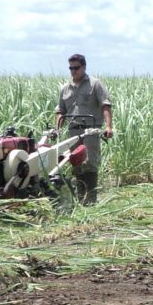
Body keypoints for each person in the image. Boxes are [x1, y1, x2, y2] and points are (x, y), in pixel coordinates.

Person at [54, 53, 113, 204]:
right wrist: (57, 129)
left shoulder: (95, 84)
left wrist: (108, 127)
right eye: (71, 68)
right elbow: (60, 110)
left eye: (76, 68)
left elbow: (105, 105)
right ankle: (81, 198)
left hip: (91, 129)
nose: (73, 71)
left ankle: (91, 198)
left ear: (84, 67)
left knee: (89, 163)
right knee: (76, 163)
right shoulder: (65, 88)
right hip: (73, 130)